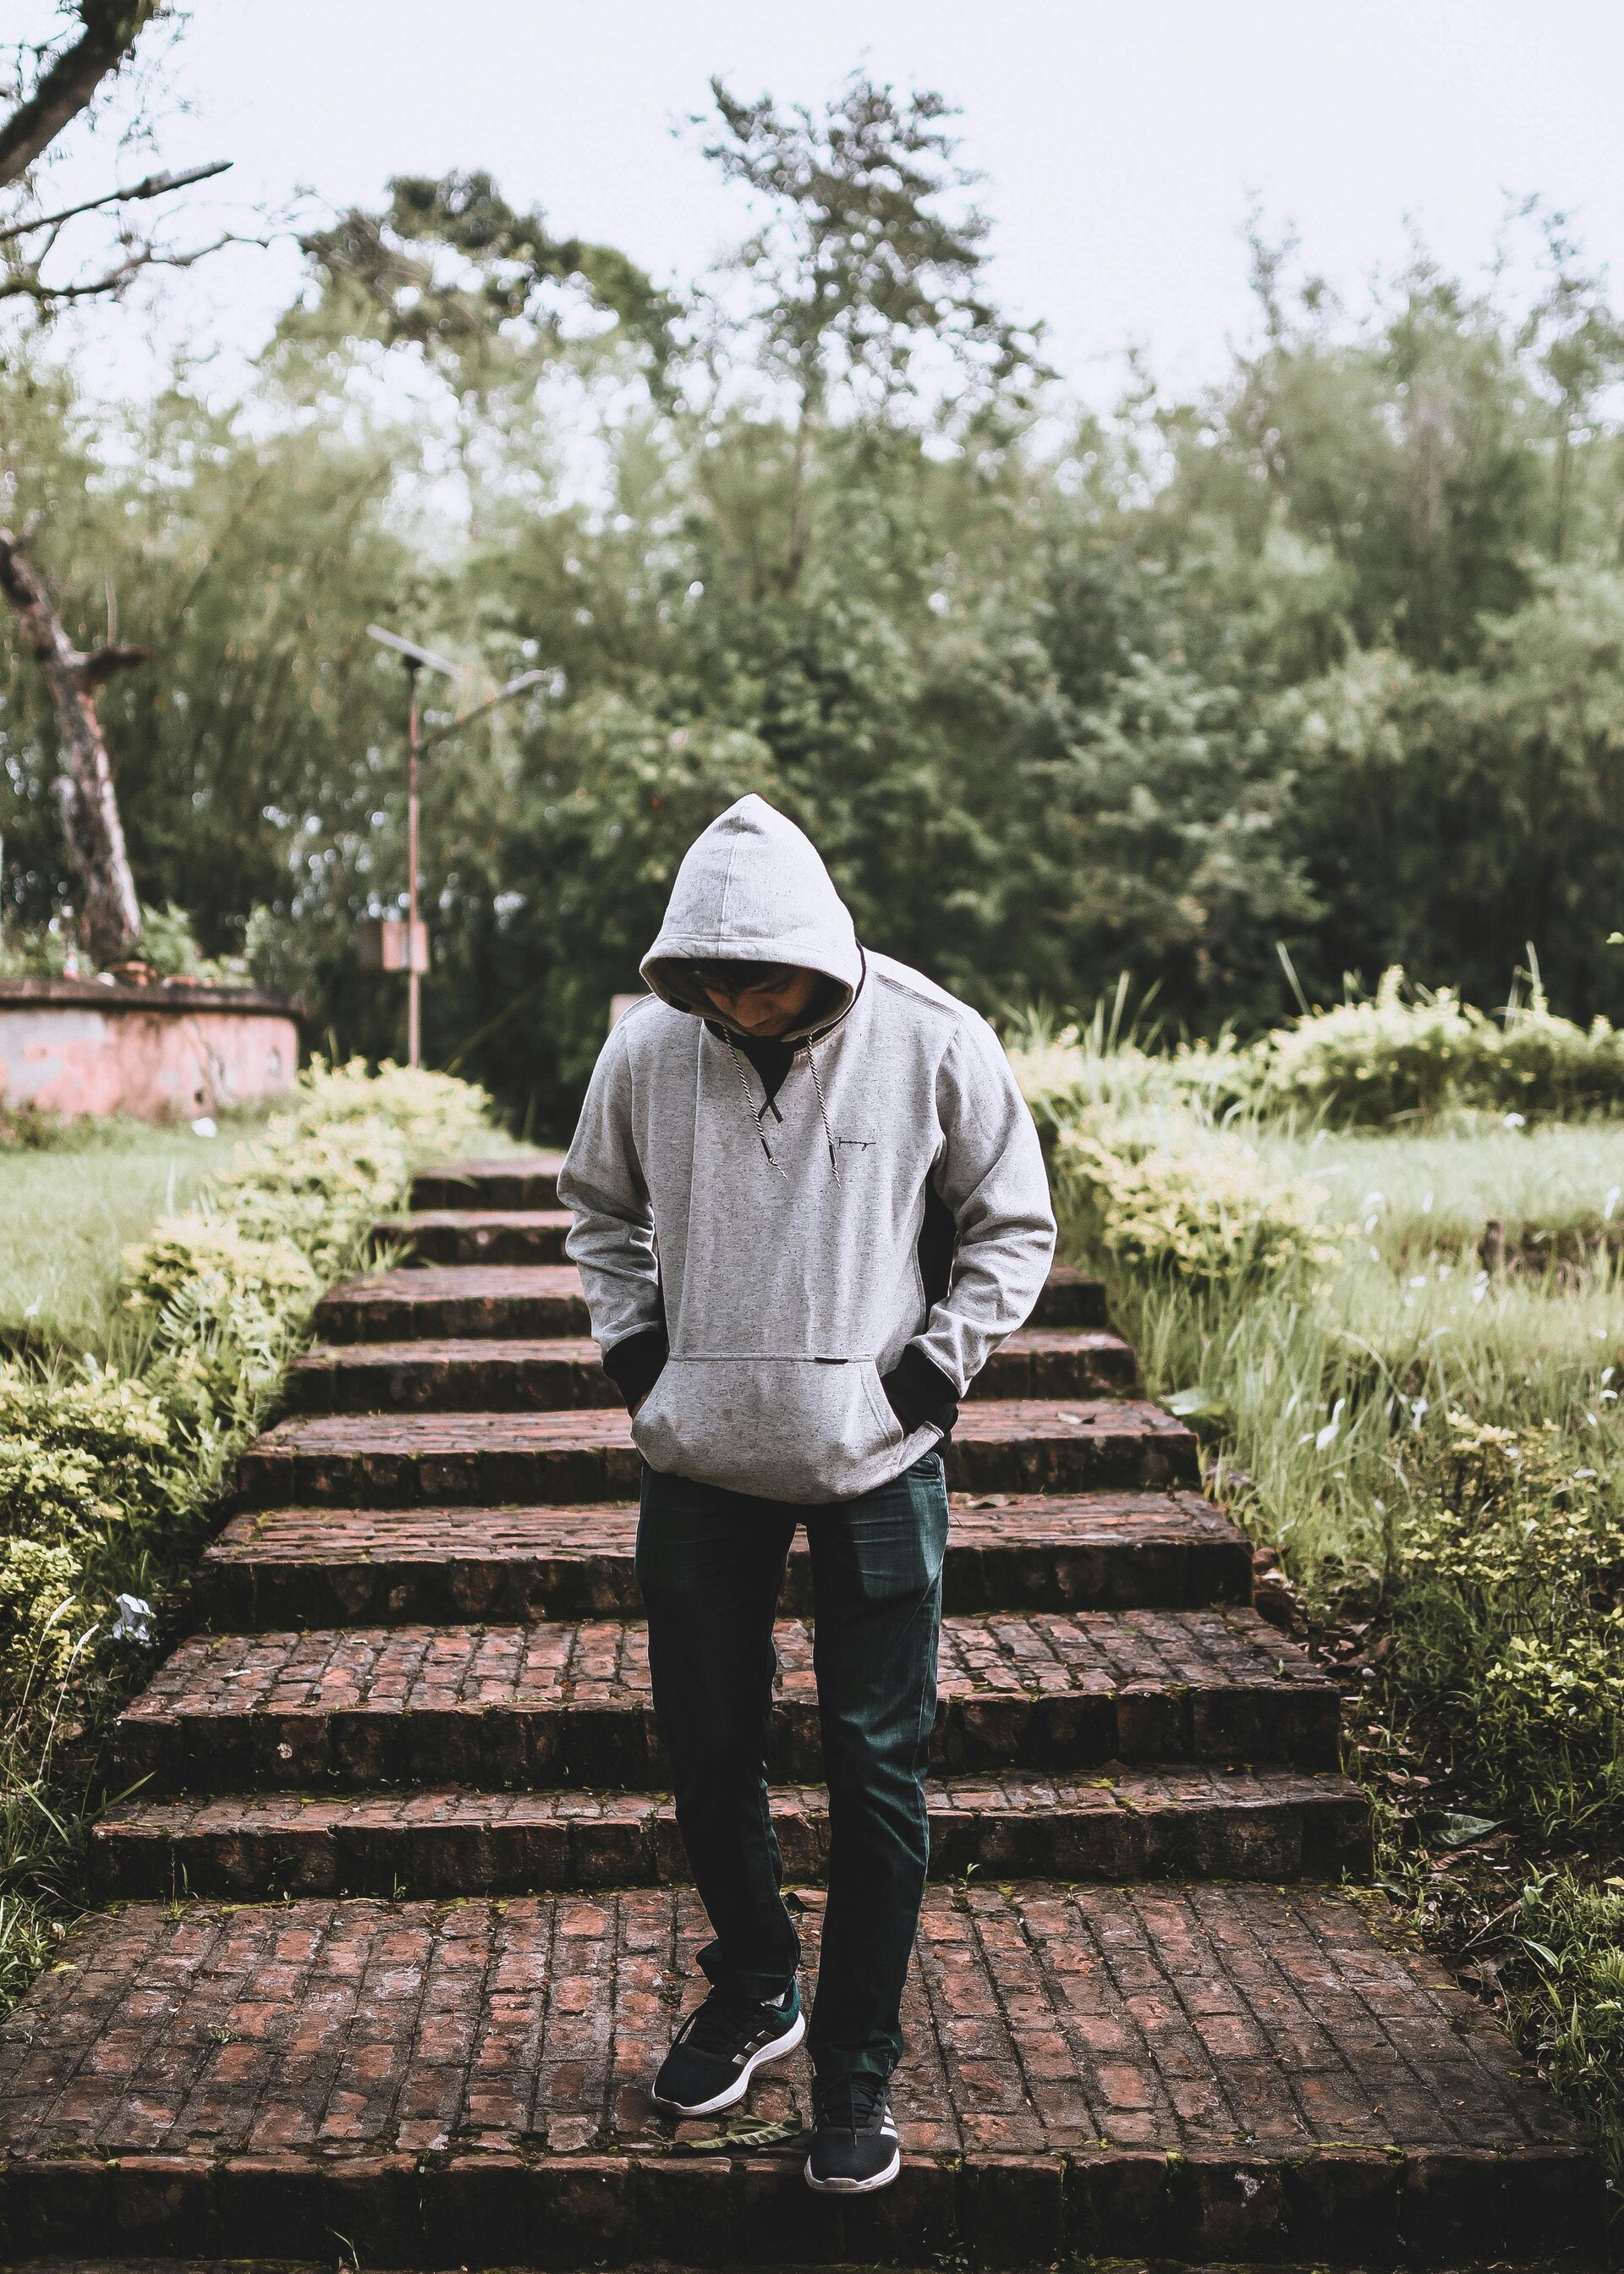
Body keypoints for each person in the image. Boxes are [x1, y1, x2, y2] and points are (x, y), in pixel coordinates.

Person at [557, 794, 1056, 2194]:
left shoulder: (932, 1036)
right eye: (711, 979)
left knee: (874, 1765)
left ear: (818, 952)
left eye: (760, 978)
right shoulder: (649, 1048)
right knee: (709, 1742)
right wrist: (642, 1358)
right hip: (699, 1455)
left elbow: (1014, 1220)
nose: (737, 1002)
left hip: (878, 1455)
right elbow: (598, 1208)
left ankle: (857, 2064)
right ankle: (757, 1982)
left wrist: (932, 1378)